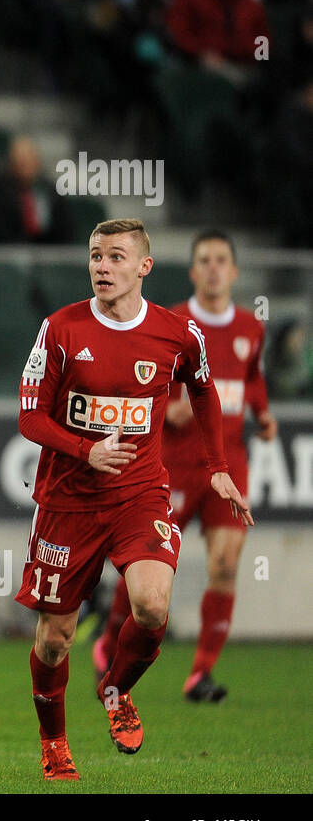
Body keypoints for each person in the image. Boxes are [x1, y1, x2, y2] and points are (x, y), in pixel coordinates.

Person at [16, 218, 251, 781]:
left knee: (151, 606)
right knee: (55, 639)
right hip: (68, 500)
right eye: (96, 255)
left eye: (116, 257)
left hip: (139, 492)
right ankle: (54, 744)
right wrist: (84, 449)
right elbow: (29, 416)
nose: (103, 266)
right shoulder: (60, 330)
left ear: (144, 267)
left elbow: (204, 389)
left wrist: (217, 467)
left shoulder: (176, 333)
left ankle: (116, 690)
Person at [93, 231, 275, 703]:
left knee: (226, 562)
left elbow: (250, 379)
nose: (213, 269)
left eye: (221, 260)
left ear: (234, 272)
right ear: (193, 271)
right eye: (204, 261)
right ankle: (108, 645)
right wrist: (170, 404)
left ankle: (200, 675)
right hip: (171, 464)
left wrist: (264, 413)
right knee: (144, 565)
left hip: (226, 461)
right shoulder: (172, 321)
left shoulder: (251, 329)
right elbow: (140, 379)